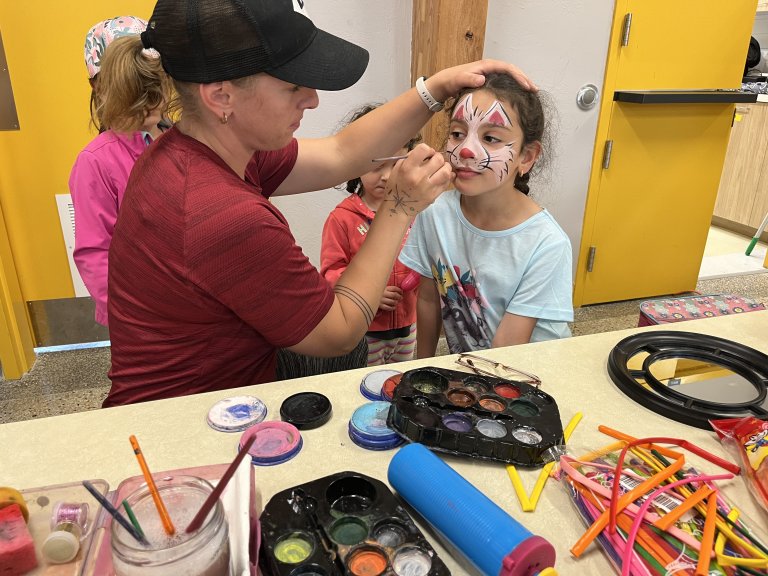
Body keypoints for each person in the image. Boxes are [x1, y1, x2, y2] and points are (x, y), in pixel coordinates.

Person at [104, 0, 534, 407]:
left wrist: (435, 89)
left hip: (223, 378)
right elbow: (340, 332)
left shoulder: (206, 147)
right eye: (292, 85)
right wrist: (399, 207)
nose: (311, 99)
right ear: (221, 97)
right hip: (178, 423)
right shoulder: (217, 213)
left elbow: (341, 153)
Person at [399, 73, 573, 357]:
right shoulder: (434, 212)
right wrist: (421, 368)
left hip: (530, 373)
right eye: (457, 134)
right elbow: (429, 299)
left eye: (491, 138)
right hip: (475, 370)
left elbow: (507, 352)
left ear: (526, 157)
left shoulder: (546, 244)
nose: (466, 149)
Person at [70, 23, 173, 326]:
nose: (149, 98)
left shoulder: (181, 139)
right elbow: (95, 253)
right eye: (134, 87)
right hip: (141, 316)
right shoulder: (95, 163)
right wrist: (130, 317)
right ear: (99, 87)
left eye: (155, 83)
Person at [321, 103, 422, 365]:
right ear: (356, 163)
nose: (386, 176)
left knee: (401, 381)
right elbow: (331, 274)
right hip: (365, 331)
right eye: (376, 165)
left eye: (396, 165)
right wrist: (371, 295)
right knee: (366, 383)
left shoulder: (415, 213)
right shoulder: (341, 218)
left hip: (407, 325)